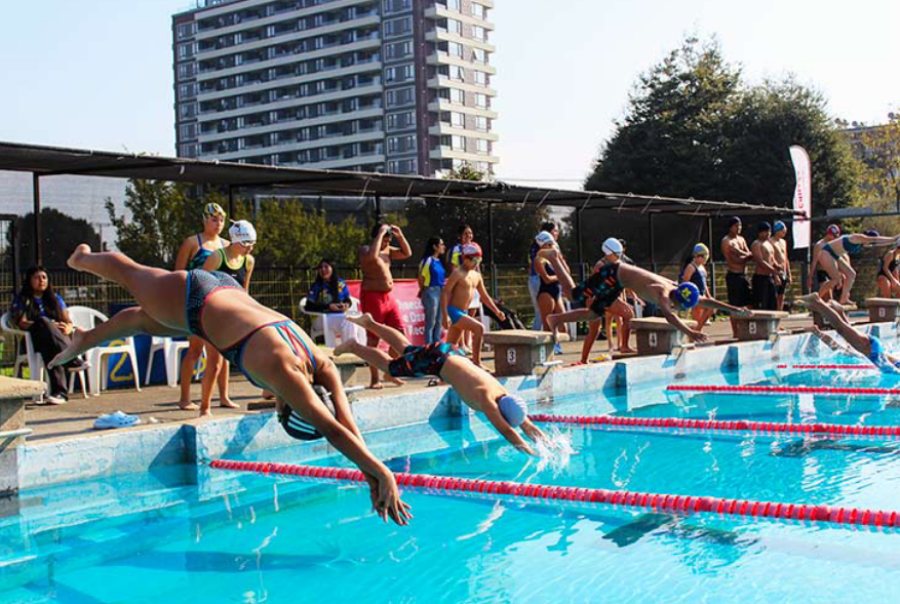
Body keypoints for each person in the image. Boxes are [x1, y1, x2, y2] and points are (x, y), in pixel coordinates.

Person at [50, 244, 411, 525]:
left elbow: (345, 423)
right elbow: (332, 428)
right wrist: (381, 472)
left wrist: (372, 473)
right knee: (128, 272)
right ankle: (82, 258)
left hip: (223, 291)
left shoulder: (320, 364)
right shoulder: (282, 372)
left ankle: (85, 338)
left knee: (146, 321)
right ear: (286, 408)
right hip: (196, 297)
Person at [334, 313, 547, 455]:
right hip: (439, 360)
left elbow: (527, 424)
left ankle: (370, 323)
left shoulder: (502, 393)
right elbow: (509, 433)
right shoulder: (488, 400)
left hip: (450, 351)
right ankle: (354, 346)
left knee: (408, 350)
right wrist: (532, 454)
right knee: (390, 367)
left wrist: (550, 445)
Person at [549, 238, 750, 344]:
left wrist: (734, 309)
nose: (679, 309)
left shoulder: (677, 288)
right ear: (678, 301)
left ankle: (556, 320)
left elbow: (705, 301)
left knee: (594, 313)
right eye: (680, 307)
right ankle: (554, 257)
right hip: (612, 273)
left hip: (619, 280)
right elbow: (670, 318)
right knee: (573, 294)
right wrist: (690, 331)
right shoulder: (663, 293)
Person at [174, 202, 231, 411]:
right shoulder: (192, 243)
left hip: (220, 304)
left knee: (223, 352)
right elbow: (178, 274)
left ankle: (224, 396)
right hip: (197, 303)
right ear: (204, 220)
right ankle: (185, 397)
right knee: (195, 350)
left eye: (221, 219)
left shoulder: (226, 245)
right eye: (214, 219)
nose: (218, 223)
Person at [198, 219, 257, 416]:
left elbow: (244, 291)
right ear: (235, 241)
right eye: (246, 243)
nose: (250, 248)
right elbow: (199, 285)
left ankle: (225, 397)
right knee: (214, 363)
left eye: (252, 243)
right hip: (212, 315)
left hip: (233, 316)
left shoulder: (249, 261)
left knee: (230, 359)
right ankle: (204, 408)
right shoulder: (217, 257)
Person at [8, 266, 81, 404]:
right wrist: (48, 326)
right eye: (36, 277)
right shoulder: (23, 299)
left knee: (51, 347)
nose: (41, 280)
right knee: (43, 322)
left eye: (44, 277)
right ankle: (72, 358)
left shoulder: (55, 298)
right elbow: (21, 323)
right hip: (33, 340)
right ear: (29, 281)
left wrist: (68, 328)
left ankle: (59, 394)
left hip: (55, 341)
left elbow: (68, 322)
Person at [358, 222, 412, 389]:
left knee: (399, 333)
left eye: (389, 240)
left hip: (388, 297)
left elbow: (407, 253)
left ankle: (390, 372)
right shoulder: (366, 250)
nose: (387, 243)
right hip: (372, 298)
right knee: (373, 339)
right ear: (377, 237)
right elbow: (373, 258)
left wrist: (400, 236)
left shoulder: (387, 250)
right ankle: (374, 378)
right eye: (385, 239)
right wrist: (380, 234)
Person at [798, 293, 900, 373]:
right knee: (841, 328)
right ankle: (817, 301)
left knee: (845, 338)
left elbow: (887, 359)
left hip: (873, 349)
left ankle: (837, 311)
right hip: (871, 349)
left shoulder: (869, 359)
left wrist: (818, 333)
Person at [441, 243, 506, 368]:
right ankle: (477, 362)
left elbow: (485, 297)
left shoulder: (476, 276)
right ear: (465, 258)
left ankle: (441, 371)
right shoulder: (457, 273)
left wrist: (497, 311)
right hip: (454, 311)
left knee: (450, 348)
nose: (477, 263)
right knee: (479, 328)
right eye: (475, 260)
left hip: (463, 312)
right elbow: (445, 293)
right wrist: (445, 315)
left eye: (479, 260)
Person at [817, 230, 899, 304]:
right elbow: (875, 239)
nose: (869, 244)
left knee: (851, 274)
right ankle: (817, 297)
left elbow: (877, 242)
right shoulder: (857, 237)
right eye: (869, 241)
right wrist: (893, 238)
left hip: (835, 255)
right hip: (826, 252)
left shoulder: (860, 244)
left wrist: (892, 241)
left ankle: (843, 299)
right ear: (868, 237)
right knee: (836, 279)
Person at [528, 221, 561, 330]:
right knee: (540, 313)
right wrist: (560, 276)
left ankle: (556, 345)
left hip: (554, 285)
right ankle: (535, 342)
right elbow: (540, 267)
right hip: (537, 279)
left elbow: (564, 268)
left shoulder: (555, 247)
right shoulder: (538, 247)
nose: (557, 233)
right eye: (555, 231)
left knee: (559, 317)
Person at [721, 217, 753, 323]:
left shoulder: (741, 239)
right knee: (734, 305)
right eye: (736, 226)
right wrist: (743, 256)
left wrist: (740, 252)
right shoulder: (726, 241)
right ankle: (735, 331)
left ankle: (746, 327)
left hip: (744, 274)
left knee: (749, 303)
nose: (739, 228)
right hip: (734, 275)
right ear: (731, 227)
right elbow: (734, 260)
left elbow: (749, 254)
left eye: (740, 225)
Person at [533, 231, 564, 334]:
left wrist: (560, 258)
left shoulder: (554, 259)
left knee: (563, 326)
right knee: (548, 327)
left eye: (552, 244)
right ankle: (550, 349)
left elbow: (567, 272)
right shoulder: (539, 260)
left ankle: (557, 347)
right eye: (549, 245)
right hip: (546, 293)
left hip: (557, 292)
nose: (552, 247)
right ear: (543, 246)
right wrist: (560, 276)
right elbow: (547, 279)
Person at [418, 237, 447, 345]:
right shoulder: (427, 260)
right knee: (431, 320)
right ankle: (428, 344)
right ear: (435, 246)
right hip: (431, 291)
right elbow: (421, 277)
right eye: (441, 244)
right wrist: (424, 290)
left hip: (440, 291)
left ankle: (436, 342)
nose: (443, 246)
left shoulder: (439, 261)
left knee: (439, 319)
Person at [680, 243, 714, 330]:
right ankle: (696, 332)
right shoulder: (691, 267)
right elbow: (685, 283)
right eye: (704, 257)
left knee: (700, 319)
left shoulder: (702, 267)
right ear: (698, 256)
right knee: (709, 308)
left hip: (702, 295)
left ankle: (696, 332)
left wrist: (709, 295)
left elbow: (704, 284)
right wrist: (687, 298)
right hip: (695, 296)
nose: (706, 259)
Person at [750, 222, 780, 311]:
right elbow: (760, 261)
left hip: (769, 277)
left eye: (769, 231)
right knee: (761, 304)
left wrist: (777, 267)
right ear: (760, 233)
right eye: (765, 232)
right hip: (760, 278)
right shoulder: (756, 244)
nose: (768, 234)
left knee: (772, 303)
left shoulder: (769, 244)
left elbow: (772, 259)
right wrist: (774, 271)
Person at [808, 224, 842, 301]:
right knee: (828, 295)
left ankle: (820, 307)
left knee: (829, 298)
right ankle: (816, 303)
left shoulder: (834, 244)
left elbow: (836, 260)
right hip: (822, 271)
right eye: (833, 236)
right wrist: (810, 277)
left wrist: (839, 274)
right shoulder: (819, 245)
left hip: (831, 272)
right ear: (828, 234)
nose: (834, 238)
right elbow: (814, 262)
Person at [771, 221, 792, 311]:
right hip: (775, 271)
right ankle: (775, 310)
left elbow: (785, 258)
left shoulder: (783, 242)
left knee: (781, 294)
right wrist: (775, 275)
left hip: (783, 271)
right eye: (783, 231)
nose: (784, 233)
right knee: (775, 294)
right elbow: (770, 259)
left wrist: (789, 273)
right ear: (777, 231)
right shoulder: (771, 242)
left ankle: (780, 310)